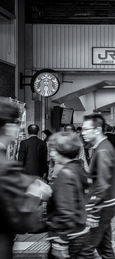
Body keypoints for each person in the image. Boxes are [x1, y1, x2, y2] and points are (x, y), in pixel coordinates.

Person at [0, 100, 52, 259]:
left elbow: (20, 159)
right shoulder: (5, 166)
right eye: (17, 123)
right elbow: (20, 210)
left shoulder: (22, 144)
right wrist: (36, 187)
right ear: (9, 126)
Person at [46, 132, 93, 259]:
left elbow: (66, 211)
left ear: (62, 151)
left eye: (54, 151)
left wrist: (60, 242)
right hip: (82, 232)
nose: (51, 154)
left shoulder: (64, 175)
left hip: (69, 237)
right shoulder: (77, 168)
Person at [81, 114, 115, 258]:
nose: (83, 133)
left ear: (97, 130)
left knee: (86, 249)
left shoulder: (102, 150)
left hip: (101, 207)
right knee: (105, 248)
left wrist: (93, 212)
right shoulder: (103, 147)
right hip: (107, 205)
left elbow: (102, 185)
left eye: (86, 129)